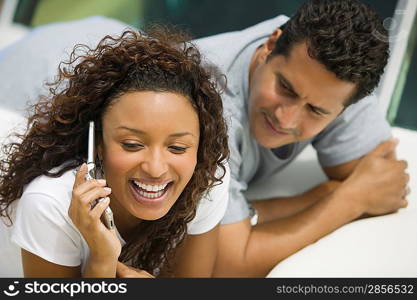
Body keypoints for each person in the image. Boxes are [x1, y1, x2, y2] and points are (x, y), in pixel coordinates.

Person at [191, 0, 409, 276]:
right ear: (271, 45)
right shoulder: (204, 106)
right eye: (285, 87)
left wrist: (250, 214)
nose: (286, 118)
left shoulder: (337, 75)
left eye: (316, 110)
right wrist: (347, 200)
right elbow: (225, 266)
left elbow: (382, 179)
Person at [0, 27, 230, 277]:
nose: (155, 168)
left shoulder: (206, 176)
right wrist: (102, 259)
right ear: (97, 142)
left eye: (177, 148)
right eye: (132, 145)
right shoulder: (49, 203)